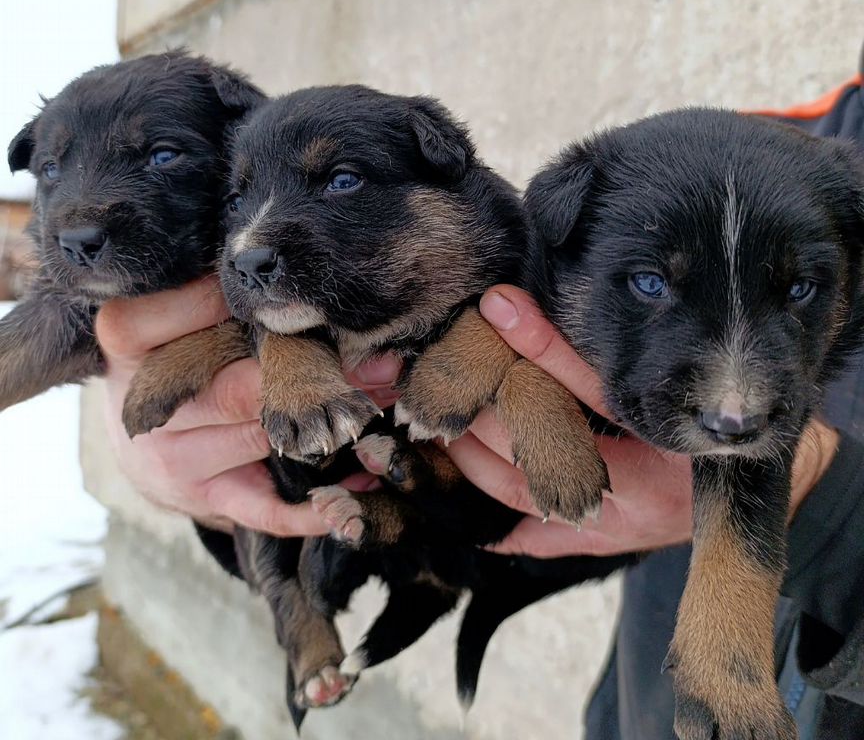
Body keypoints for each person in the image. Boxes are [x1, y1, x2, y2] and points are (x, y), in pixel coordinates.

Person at [96, 51, 864, 739]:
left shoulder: (830, 190)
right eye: (650, 283)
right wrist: (209, 460)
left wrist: (822, 505)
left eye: (801, 288)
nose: (736, 402)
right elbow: (518, 282)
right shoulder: (763, 154)